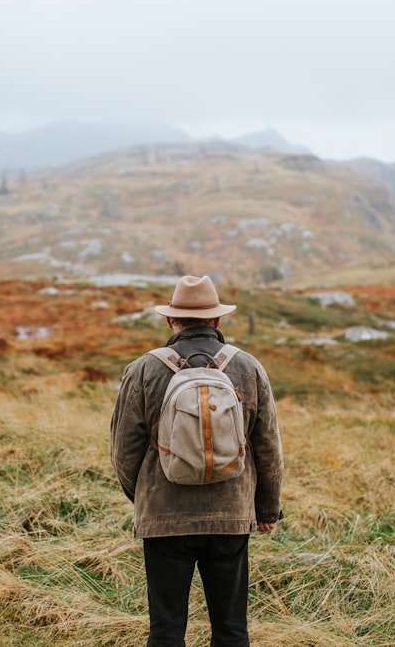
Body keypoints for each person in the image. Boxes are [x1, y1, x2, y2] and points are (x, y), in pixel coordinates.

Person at [110, 274, 284, 647]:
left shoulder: (143, 370)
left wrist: (144, 499)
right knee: (231, 629)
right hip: (230, 515)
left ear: (170, 321)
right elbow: (267, 447)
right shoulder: (249, 368)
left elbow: (123, 451)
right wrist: (266, 509)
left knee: (166, 631)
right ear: (217, 321)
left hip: (164, 518)